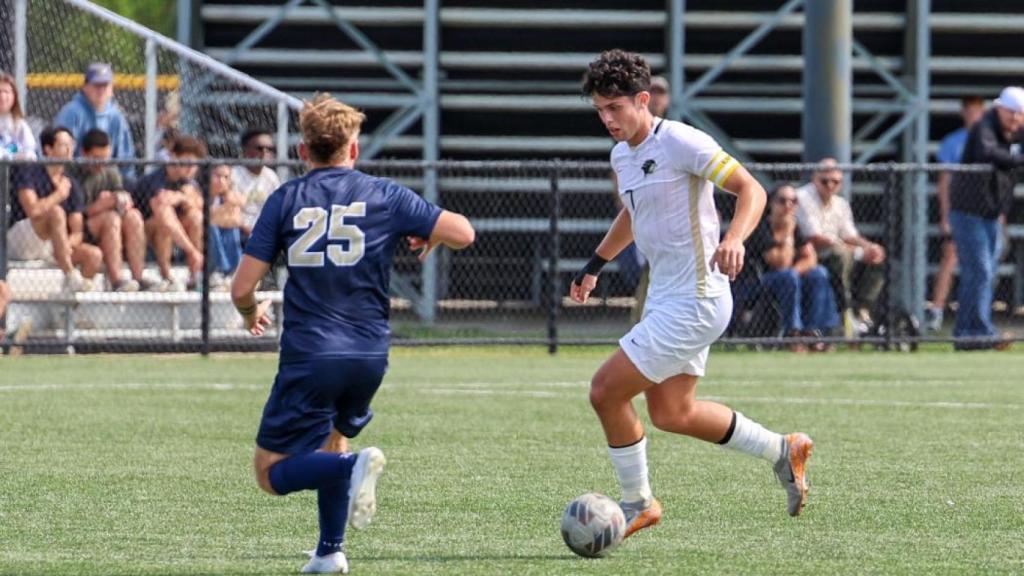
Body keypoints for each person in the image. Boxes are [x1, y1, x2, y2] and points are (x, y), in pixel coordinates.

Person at [571, 50, 813, 540]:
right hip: (667, 297)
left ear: (643, 99)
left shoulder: (680, 140)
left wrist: (734, 238)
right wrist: (595, 263)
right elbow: (633, 216)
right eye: (599, 109)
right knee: (672, 413)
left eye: (615, 107)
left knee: (605, 391)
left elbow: (752, 189)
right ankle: (781, 449)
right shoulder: (623, 155)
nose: (607, 118)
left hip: (697, 299)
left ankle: (638, 503)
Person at [231, 93, 475, 574]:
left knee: (269, 472)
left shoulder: (285, 199)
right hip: (369, 355)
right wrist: (434, 233)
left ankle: (351, 469)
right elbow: (464, 232)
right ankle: (330, 551)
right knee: (331, 441)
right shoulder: (385, 194)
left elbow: (242, 285)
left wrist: (247, 311)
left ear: (303, 152)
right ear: (354, 150)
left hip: (310, 354)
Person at [948, 86, 1024, 350]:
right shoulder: (984, 128)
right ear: (999, 109)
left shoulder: (1013, 131)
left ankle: (966, 334)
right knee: (980, 271)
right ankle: (980, 332)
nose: (1015, 119)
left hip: (991, 214)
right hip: (969, 213)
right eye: (1011, 113)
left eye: (1020, 115)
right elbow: (987, 153)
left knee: (982, 274)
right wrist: (1018, 158)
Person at [796, 158, 886, 333]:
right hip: (810, 255)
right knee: (841, 255)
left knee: (878, 256)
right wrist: (859, 252)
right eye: (825, 181)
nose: (830, 185)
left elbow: (850, 235)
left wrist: (869, 247)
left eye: (835, 182)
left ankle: (861, 308)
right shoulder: (803, 197)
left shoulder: (841, 203)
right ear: (814, 178)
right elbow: (816, 238)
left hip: (837, 252)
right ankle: (845, 307)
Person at [8, 126, 101, 292]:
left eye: (71, 145)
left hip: (54, 244)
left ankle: (68, 303)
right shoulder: (30, 171)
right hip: (22, 239)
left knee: (94, 255)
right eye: (63, 145)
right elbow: (33, 211)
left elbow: (77, 231)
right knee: (56, 212)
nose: (69, 150)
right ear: (48, 149)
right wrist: (58, 195)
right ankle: (71, 275)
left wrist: (65, 245)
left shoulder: (71, 183)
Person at [746, 184, 839, 350]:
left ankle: (811, 332)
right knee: (787, 277)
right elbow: (780, 263)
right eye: (782, 201)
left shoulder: (795, 226)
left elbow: (811, 258)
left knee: (819, 273)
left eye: (793, 201)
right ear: (772, 204)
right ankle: (793, 333)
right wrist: (788, 235)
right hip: (760, 283)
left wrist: (795, 272)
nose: (788, 205)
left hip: (789, 279)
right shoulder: (762, 228)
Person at [926, 96, 986, 331]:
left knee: (983, 266)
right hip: (960, 212)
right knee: (950, 258)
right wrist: (945, 214)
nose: (974, 116)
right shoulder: (953, 142)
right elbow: (944, 181)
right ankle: (937, 311)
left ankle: (977, 314)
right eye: (970, 111)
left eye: (978, 111)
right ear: (964, 113)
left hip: (983, 214)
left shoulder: (990, 140)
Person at [134, 135, 206, 292]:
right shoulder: (156, 179)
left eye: (194, 164)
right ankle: (167, 276)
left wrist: (180, 197)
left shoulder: (189, 181)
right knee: (165, 217)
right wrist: (191, 250)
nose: (191, 169)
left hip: (175, 231)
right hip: (143, 231)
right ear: (173, 158)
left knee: (196, 217)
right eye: (186, 163)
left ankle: (195, 277)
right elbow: (159, 207)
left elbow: (199, 205)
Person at [79, 129, 147, 292]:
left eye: (105, 158)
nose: (101, 163)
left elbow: (120, 196)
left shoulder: (111, 171)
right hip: (84, 228)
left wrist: (121, 201)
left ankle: (138, 277)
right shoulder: (75, 173)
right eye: (96, 158)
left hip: (112, 225)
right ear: (84, 153)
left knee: (134, 217)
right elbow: (79, 213)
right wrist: (102, 204)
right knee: (111, 218)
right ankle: (117, 280)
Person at [54, 63, 135, 178]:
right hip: (75, 177)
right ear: (85, 87)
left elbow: (126, 159)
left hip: (107, 178)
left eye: (105, 85)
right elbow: (60, 156)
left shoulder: (116, 116)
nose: (101, 90)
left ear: (112, 89)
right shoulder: (72, 112)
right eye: (96, 85)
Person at [233, 128, 282, 237]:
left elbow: (277, 209)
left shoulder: (271, 176)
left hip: (265, 230)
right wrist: (253, 234)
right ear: (245, 150)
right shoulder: (233, 175)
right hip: (239, 233)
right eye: (259, 148)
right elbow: (232, 213)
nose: (265, 152)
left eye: (269, 149)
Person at [207, 164, 245, 288]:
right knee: (212, 229)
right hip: (204, 235)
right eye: (217, 176)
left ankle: (234, 271)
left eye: (226, 177)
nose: (222, 181)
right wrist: (226, 209)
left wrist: (218, 216)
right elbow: (206, 219)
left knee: (232, 230)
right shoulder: (203, 193)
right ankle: (220, 269)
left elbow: (236, 221)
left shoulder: (231, 195)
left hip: (225, 230)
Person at [0, 72, 37, 160]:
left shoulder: (19, 123)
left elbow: (30, 150)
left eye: (7, 92)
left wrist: (25, 155)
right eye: (0, 92)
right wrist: (11, 156)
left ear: (14, 96)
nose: (2, 96)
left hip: (15, 170)